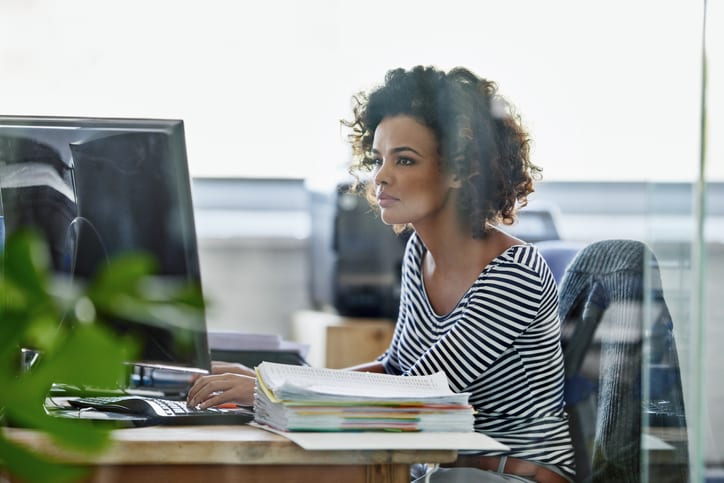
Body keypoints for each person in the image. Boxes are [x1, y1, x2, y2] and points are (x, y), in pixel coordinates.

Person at [187, 65, 575, 483]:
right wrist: (273, 384)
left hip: (512, 477)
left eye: (404, 159)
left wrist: (271, 391)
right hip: (441, 470)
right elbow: (394, 371)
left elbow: (420, 394)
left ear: (462, 171)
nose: (380, 176)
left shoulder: (515, 272)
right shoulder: (419, 251)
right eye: (378, 158)